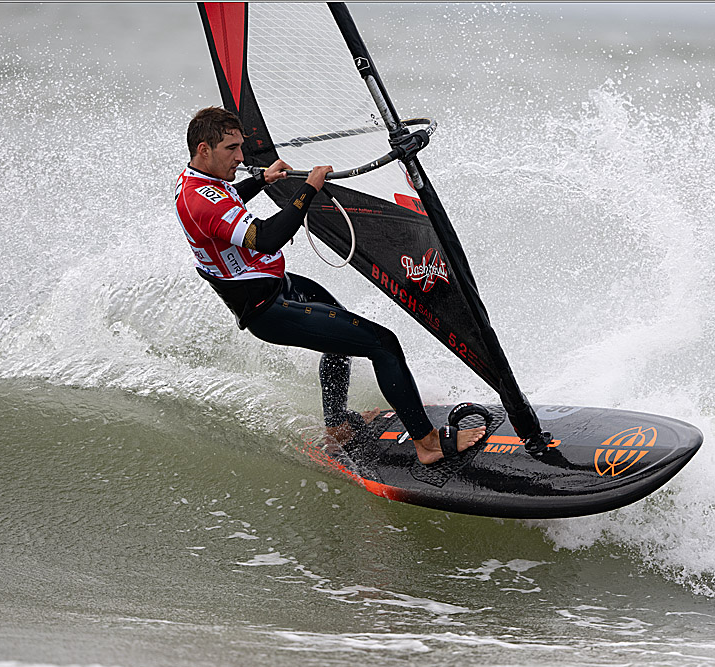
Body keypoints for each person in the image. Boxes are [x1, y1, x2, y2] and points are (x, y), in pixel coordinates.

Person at [175, 106, 485, 464]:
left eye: (240, 146)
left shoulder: (196, 183)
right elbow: (267, 238)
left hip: (276, 285)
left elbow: (225, 205)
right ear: (203, 149)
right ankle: (427, 444)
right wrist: (308, 190)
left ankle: (337, 425)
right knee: (383, 344)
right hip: (267, 309)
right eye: (231, 149)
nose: (240, 156)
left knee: (338, 332)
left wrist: (262, 181)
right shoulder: (201, 201)